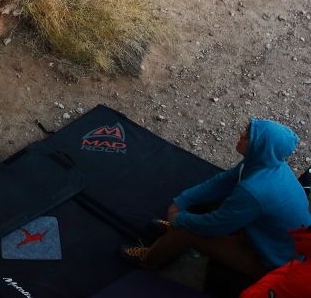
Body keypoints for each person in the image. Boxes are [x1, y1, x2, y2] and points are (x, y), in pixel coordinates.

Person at [121, 118, 311, 280]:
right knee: (212, 207)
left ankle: (149, 260)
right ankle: (175, 229)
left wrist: (180, 219)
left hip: (273, 262)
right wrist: (182, 201)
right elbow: (224, 181)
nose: (242, 134)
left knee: (187, 232)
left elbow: (215, 225)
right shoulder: (266, 164)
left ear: (261, 148)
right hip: (273, 241)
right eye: (246, 129)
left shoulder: (254, 190)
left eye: (249, 136)